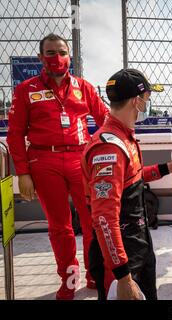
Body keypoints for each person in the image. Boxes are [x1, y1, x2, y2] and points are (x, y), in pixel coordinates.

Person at [6, 33, 109, 300]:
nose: (57, 58)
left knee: (93, 223)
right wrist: (23, 173)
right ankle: (69, 276)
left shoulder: (84, 87)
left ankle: (94, 273)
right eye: (50, 53)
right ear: (41, 58)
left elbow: (105, 120)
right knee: (59, 226)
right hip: (44, 161)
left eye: (62, 52)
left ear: (69, 56)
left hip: (81, 160)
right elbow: (15, 134)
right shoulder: (25, 90)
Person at [82, 69, 172, 300]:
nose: (147, 105)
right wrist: (122, 277)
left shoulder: (123, 137)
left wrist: (166, 168)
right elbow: (104, 218)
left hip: (137, 243)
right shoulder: (109, 147)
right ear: (136, 101)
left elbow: (133, 178)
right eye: (147, 100)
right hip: (121, 257)